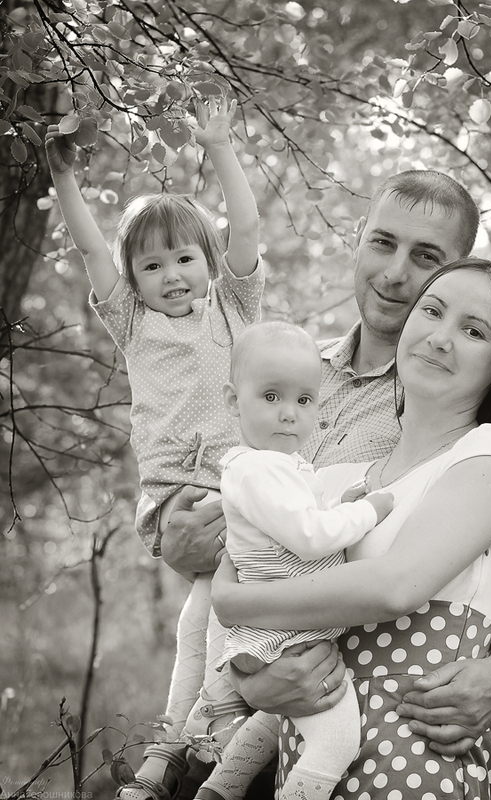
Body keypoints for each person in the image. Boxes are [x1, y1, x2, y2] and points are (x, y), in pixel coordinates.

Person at [160, 171, 491, 796]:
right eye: (382, 242)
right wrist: (245, 666)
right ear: (358, 238)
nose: (395, 273)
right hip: (271, 726)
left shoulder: (485, 442)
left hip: (403, 755)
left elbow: (459, 566)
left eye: (426, 258)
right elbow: (217, 528)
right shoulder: (286, 370)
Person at [45, 96, 264, 798]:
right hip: (177, 492)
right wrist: (63, 177)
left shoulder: (233, 306)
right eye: (152, 266)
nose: (172, 275)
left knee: (211, 617)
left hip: (245, 487)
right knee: (214, 610)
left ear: (208, 262)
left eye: (185, 258)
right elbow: (89, 248)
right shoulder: (133, 324)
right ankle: (195, 743)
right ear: (133, 280)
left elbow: (246, 228)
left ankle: (182, 748)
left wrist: (219, 147)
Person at [191, 320, 392, 800]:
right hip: (286, 633)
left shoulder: (278, 466)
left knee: (276, 719)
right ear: (232, 400)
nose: (288, 414)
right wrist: (368, 510)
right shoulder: (258, 469)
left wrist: (340, 501)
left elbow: (298, 519)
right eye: (271, 396)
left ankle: (220, 788)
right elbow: (308, 537)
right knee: (337, 739)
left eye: (304, 400)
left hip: (286, 626)